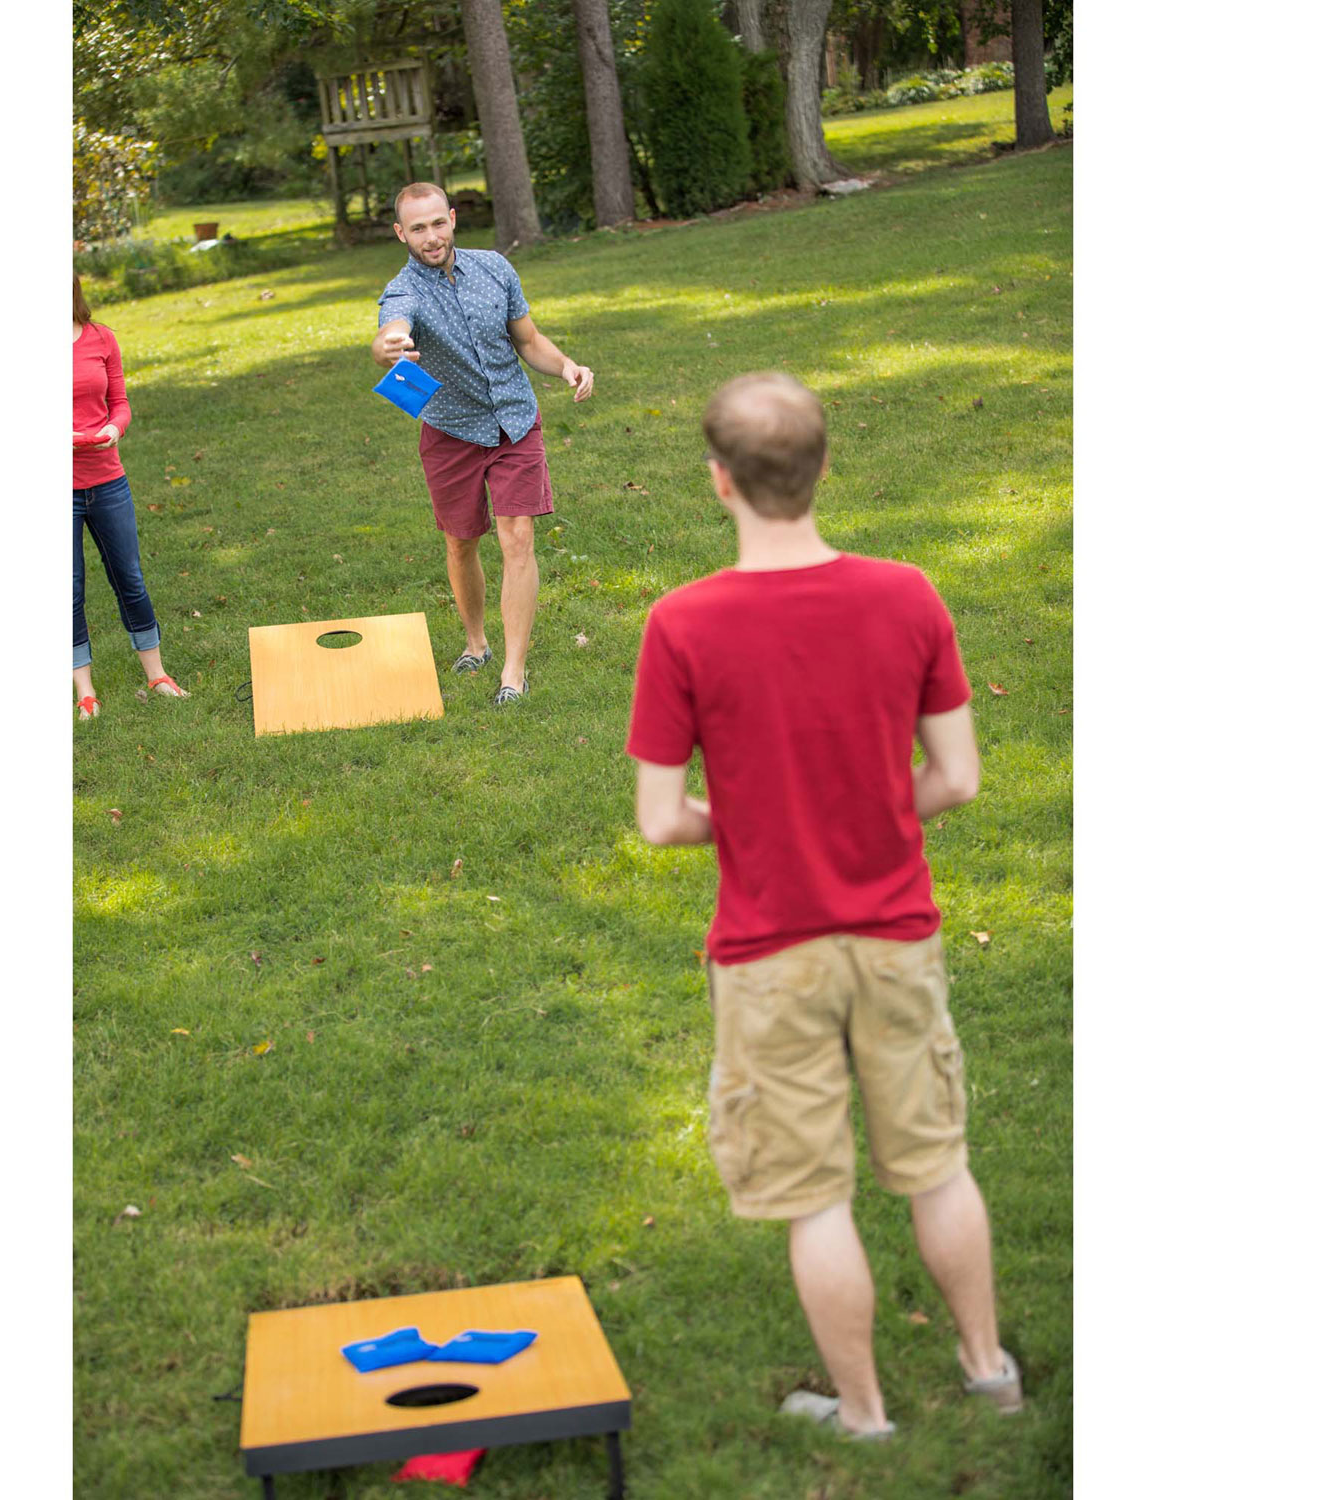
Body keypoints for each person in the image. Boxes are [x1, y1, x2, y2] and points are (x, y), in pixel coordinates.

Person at [625, 372, 1021, 1438]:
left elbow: (662, 819)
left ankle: (863, 1414)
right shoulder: (909, 595)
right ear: (822, 467)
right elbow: (957, 778)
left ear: (719, 482)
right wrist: (875, 808)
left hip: (768, 951)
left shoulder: (682, 624)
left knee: (816, 1197)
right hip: (896, 935)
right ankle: (988, 1371)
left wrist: (753, 824)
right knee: (936, 1166)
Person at [371, 183, 594, 706]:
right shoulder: (403, 290)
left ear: (452, 218)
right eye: (418, 229)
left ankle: (513, 673)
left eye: (438, 223)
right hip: (451, 431)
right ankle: (477, 641)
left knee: (518, 539)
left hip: (515, 421)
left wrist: (566, 366)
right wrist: (389, 345)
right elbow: (391, 330)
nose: (432, 237)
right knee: (461, 540)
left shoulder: (495, 268)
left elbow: (528, 340)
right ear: (401, 233)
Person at [73, 274, 186, 719]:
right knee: (68, 588)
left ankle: (156, 674)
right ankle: (85, 690)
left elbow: (119, 402)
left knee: (130, 579)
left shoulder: (101, 338)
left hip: (107, 478)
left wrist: (112, 429)